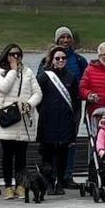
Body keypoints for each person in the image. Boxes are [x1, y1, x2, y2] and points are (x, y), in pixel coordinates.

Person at [0, 44, 42, 200]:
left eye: (18, 55)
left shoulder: (28, 72)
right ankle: (7, 186)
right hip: (7, 118)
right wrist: (13, 70)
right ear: (6, 55)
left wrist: (30, 104)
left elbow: (37, 92)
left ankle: (21, 185)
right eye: (12, 54)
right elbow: (4, 88)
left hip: (23, 118)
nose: (16, 57)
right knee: (7, 155)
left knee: (21, 156)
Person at [36, 46, 80, 195]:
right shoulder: (44, 77)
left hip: (65, 122)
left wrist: (72, 119)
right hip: (48, 122)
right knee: (47, 155)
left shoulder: (71, 77)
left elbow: (75, 101)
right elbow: (37, 99)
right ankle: (48, 183)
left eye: (63, 58)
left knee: (62, 155)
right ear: (52, 60)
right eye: (57, 58)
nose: (61, 60)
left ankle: (60, 182)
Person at [50, 27, 88, 189]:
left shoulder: (80, 60)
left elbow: (87, 82)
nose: (65, 40)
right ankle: (53, 175)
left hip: (73, 106)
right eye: (62, 37)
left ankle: (68, 175)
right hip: (53, 107)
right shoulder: (47, 60)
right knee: (53, 141)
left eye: (68, 37)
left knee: (71, 140)